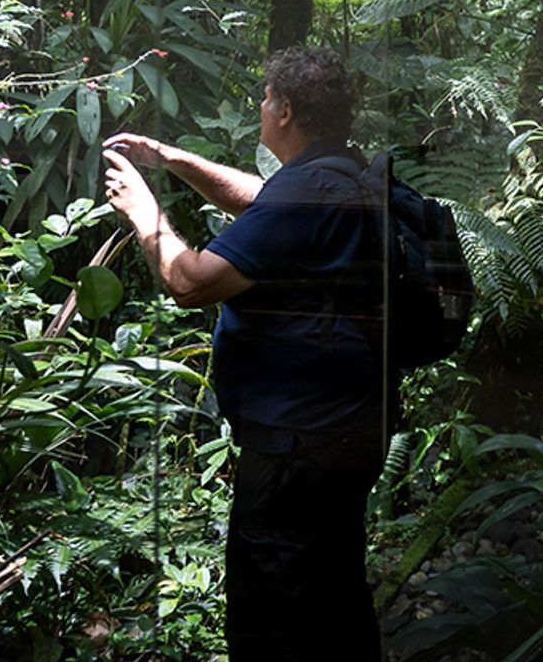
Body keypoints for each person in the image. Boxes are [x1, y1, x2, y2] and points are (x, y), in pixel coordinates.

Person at [102, 46, 388, 661]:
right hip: (351, 430)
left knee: (272, 617)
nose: (260, 107)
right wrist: (174, 160)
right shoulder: (346, 177)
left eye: (264, 99)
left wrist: (144, 212)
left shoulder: (312, 188)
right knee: (336, 598)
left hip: (298, 449)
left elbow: (193, 282)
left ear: (283, 111)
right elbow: (263, 203)